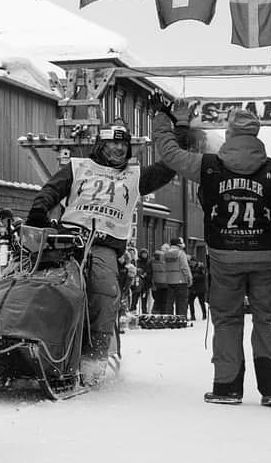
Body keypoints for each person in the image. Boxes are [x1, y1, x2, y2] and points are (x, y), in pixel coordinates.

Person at [154, 101, 271, 408]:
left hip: (224, 255)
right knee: (267, 319)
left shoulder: (208, 166)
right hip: (267, 256)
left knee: (226, 320)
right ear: (256, 134)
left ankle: (227, 388)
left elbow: (170, 155)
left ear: (228, 134)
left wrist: (165, 121)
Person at [25, 122, 181, 384]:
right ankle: (31, 342)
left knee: (104, 290)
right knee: (43, 282)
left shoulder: (135, 175)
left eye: (124, 144)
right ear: (101, 144)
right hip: (69, 237)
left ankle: (94, 359)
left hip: (104, 244)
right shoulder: (78, 167)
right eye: (113, 143)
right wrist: (39, 211)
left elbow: (169, 167)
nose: (119, 148)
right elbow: (51, 189)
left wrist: (179, 131)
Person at [163, 237, 192, 317]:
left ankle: (169, 318)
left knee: (169, 302)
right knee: (181, 302)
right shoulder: (180, 253)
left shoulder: (166, 253)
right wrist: (189, 278)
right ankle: (181, 319)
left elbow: (164, 266)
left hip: (169, 280)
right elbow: (184, 267)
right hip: (181, 281)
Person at [188, 256, 208, 320]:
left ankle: (204, 315)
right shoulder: (189, 268)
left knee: (201, 302)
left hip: (200, 288)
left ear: (195, 262)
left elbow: (203, 276)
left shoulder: (200, 267)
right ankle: (192, 315)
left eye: (193, 262)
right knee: (190, 302)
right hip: (193, 288)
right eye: (191, 262)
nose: (191, 263)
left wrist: (194, 277)